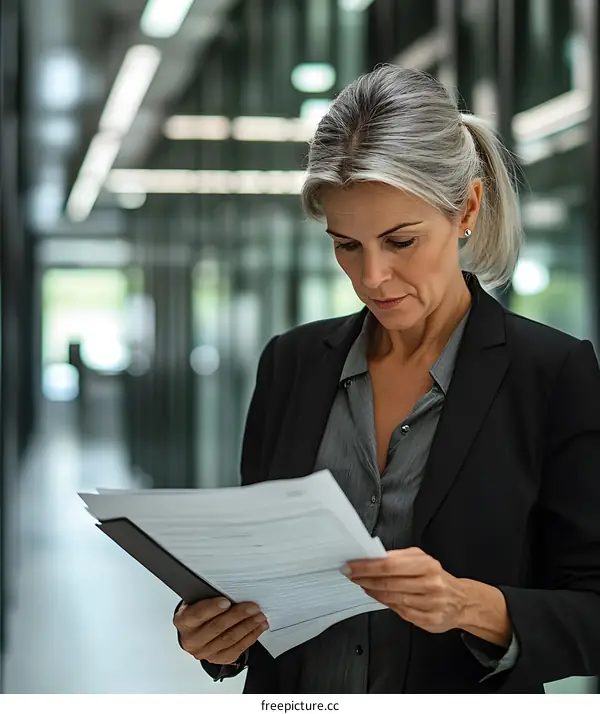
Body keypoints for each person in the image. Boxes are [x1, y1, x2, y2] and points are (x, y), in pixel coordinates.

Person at [173, 65, 600, 694]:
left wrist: (467, 605)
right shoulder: (290, 364)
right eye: (346, 245)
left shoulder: (552, 374)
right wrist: (216, 636)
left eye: (401, 241)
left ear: (468, 209)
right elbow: (255, 582)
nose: (372, 277)